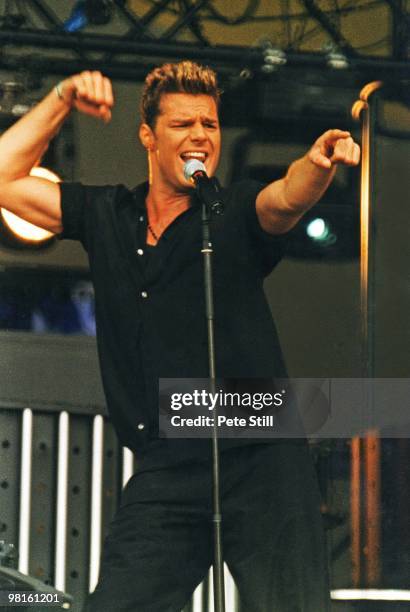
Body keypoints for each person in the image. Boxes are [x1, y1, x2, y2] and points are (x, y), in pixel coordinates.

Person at [0, 62, 360, 611]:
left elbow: (285, 198)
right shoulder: (109, 214)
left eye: (210, 125)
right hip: (168, 461)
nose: (199, 136)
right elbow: (3, 178)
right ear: (148, 135)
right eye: (183, 124)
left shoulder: (229, 209)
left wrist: (317, 164)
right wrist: (61, 98)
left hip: (262, 452)